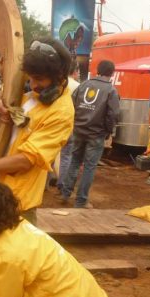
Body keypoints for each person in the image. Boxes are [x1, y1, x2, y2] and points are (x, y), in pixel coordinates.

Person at [0, 38, 75, 225]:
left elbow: (26, 160)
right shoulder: (33, 95)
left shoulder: (61, 113)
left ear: (59, 76)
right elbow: (9, 94)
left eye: (39, 79)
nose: (33, 84)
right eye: (31, 77)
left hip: (18, 203)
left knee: (16, 253)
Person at [60, 59, 120, 208]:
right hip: (96, 134)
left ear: (98, 70)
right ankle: (81, 201)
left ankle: (65, 193)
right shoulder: (111, 91)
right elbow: (112, 115)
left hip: (78, 130)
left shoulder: (84, 85)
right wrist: (108, 131)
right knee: (89, 167)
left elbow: (71, 105)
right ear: (111, 73)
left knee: (74, 161)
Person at [56, 59, 80, 193]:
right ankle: (61, 185)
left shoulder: (57, 84)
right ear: (75, 71)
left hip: (53, 121)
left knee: (49, 155)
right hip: (69, 124)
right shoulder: (78, 86)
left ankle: (44, 184)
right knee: (66, 156)